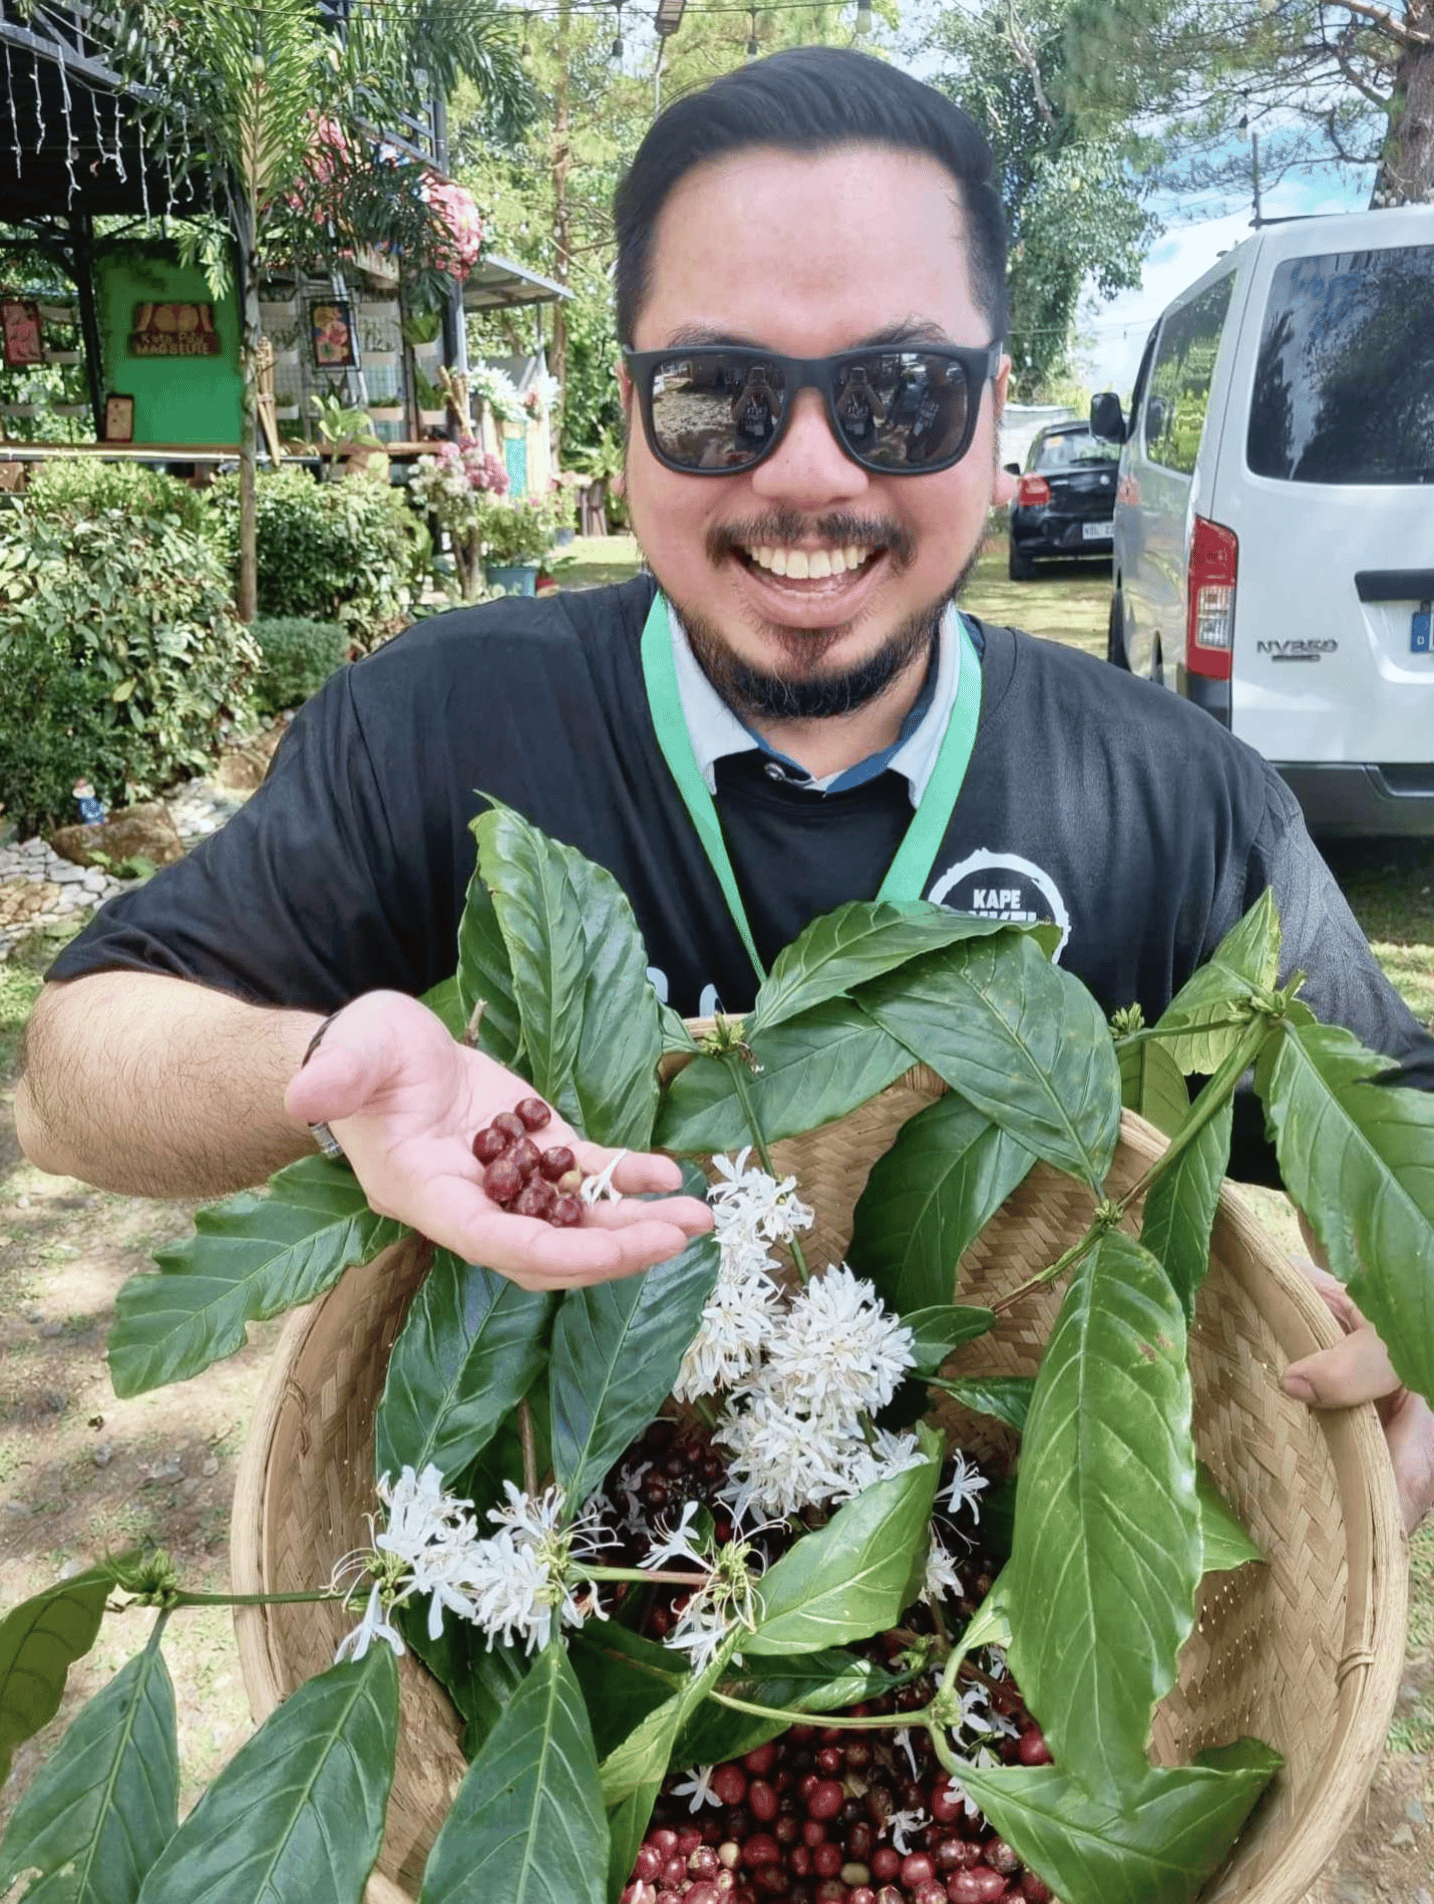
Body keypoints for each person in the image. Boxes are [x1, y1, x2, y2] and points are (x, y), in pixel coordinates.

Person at [15, 49, 1434, 1529]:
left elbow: (1402, 1124)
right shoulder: (437, 724)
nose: (809, 475)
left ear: (994, 411)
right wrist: (317, 1077)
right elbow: (67, 1080)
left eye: (902, 395)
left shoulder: (1173, 804)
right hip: (570, 1543)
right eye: (717, 396)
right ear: (626, 413)